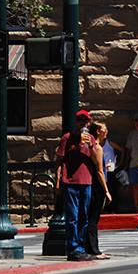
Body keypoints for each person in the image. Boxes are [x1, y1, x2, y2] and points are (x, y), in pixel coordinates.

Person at [56, 109, 96, 261]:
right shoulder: (67, 138)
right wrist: (58, 181)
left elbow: (96, 160)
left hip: (87, 181)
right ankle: (73, 249)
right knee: (72, 217)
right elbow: (59, 161)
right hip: (71, 181)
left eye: (86, 121)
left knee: (83, 217)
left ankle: (81, 246)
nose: (83, 124)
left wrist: (89, 146)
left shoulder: (90, 138)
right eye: (81, 120)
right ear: (76, 122)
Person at [86, 122, 113, 260]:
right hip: (98, 187)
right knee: (93, 219)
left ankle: (90, 247)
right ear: (97, 131)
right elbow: (100, 171)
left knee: (90, 218)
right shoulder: (98, 148)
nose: (106, 131)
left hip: (92, 185)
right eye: (104, 129)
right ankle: (94, 250)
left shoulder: (93, 147)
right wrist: (106, 191)